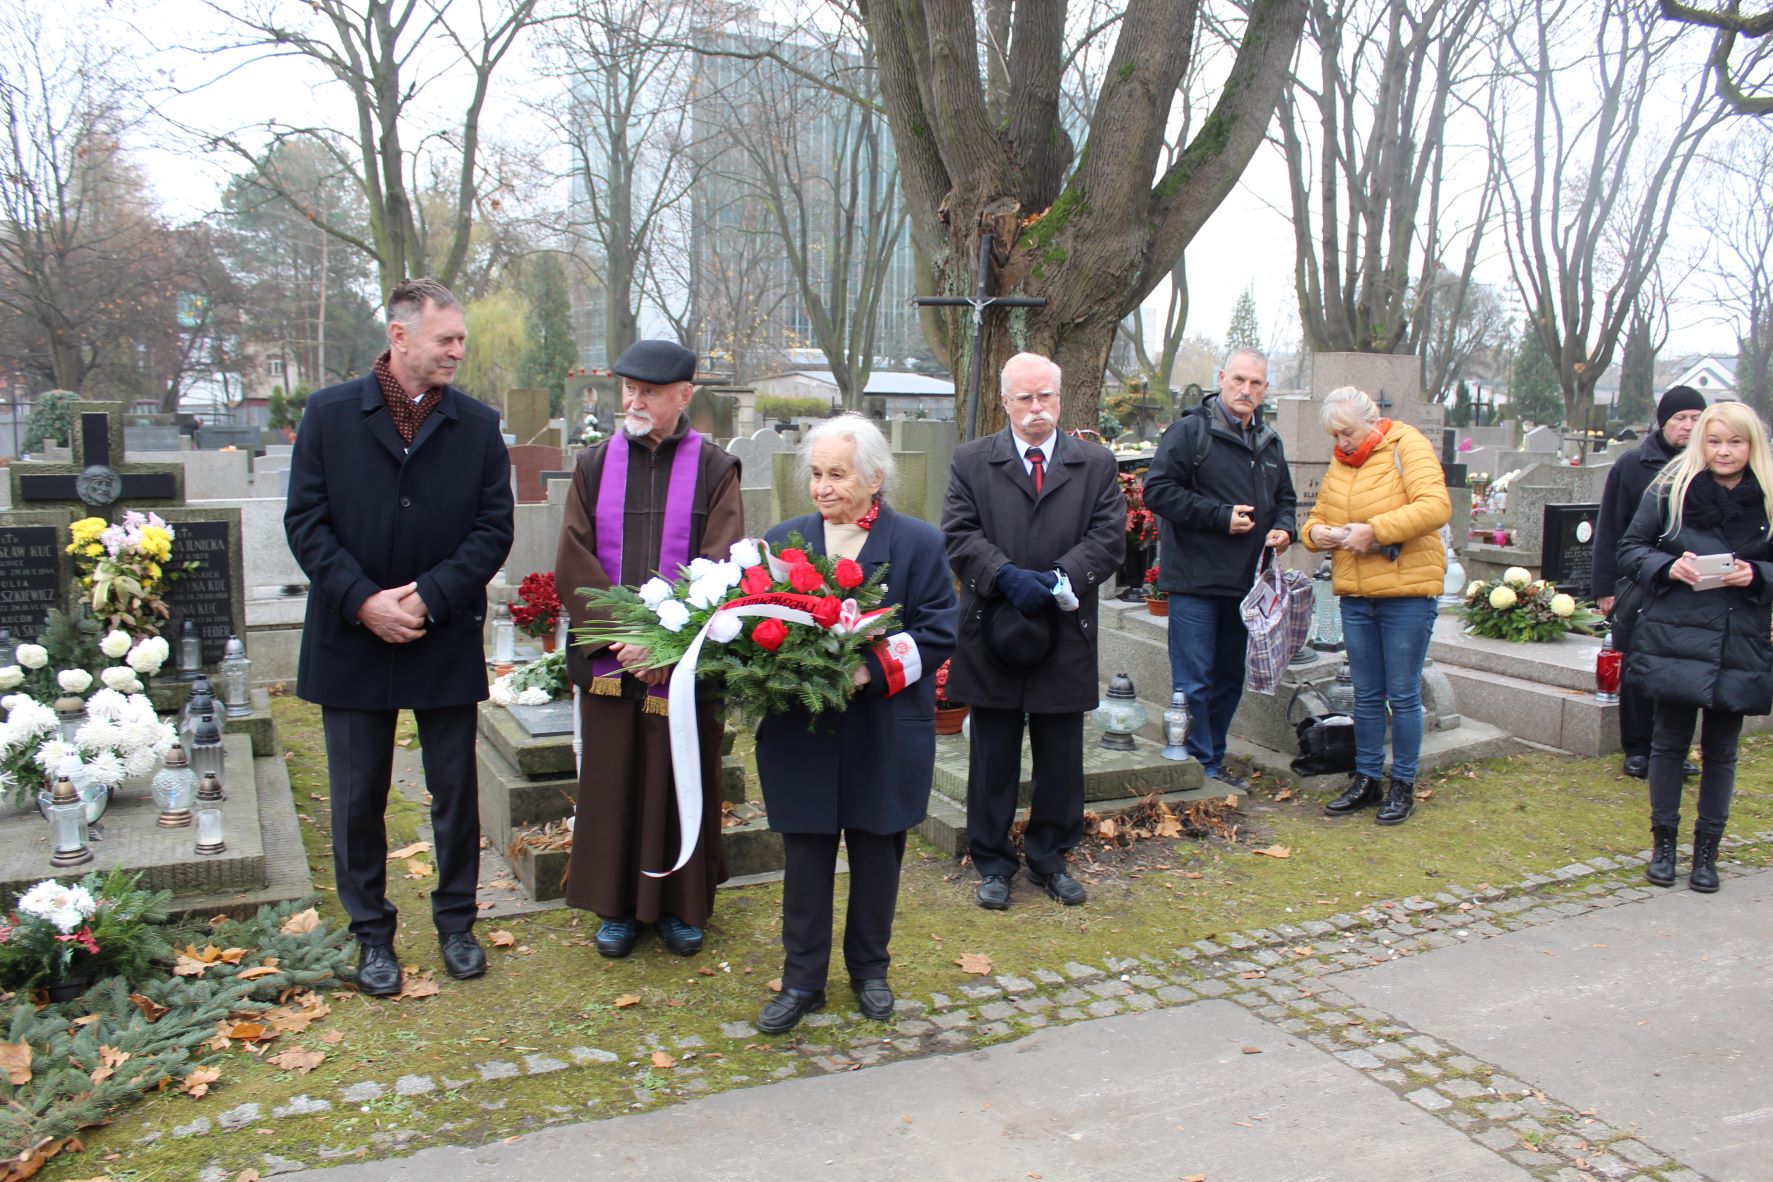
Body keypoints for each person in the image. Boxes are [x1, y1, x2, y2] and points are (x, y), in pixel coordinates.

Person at [284, 277, 515, 996]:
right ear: (399, 335)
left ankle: (456, 923)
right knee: (358, 796)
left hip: (441, 634)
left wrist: (431, 595)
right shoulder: (328, 415)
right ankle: (372, 936)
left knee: (454, 791)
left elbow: (493, 529)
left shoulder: (477, 425)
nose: (458, 351)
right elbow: (305, 522)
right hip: (351, 637)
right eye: (446, 339)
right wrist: (362, 601)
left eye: (461, 340)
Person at [751, 416, 957, 1033]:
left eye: (837, 474)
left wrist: (869, 669)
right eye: (816, 474)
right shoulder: (783, 541)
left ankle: (870, 970)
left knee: (876, 856)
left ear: (874, 478)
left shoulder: (918, 543)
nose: (823, 487)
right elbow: (752, 622)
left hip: (883, 729)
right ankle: (801, 980)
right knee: (806, 859)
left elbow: (939, 631)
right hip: (803, 731)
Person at [555, 339, 743, 957]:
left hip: (682, 663)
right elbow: (573, 558)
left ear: (684, 395)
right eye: (629, 389)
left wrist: (668, 646)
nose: (634, 401)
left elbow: (722, 564)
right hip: (611, 659)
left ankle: (681, 907)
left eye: (651, 392)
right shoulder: (593, 465)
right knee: (612, 780)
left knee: (680, 772)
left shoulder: (715, 469)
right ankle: (615, 908)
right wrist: (626, 639)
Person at [942, 353, 1125, 911]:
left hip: (1064, 627)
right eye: (1025, 398)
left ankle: (1051, 858)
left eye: (1045, 396)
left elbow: (1108, 537)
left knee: (1061, 755)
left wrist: (1059, 576)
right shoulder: (972, 461)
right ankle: (993, 862)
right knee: (992, 756)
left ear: (1059, 399)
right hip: (992, 627)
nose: (1036, 407)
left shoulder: (1095, 464)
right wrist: (1005, 575)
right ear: (1006, 402)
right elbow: (958, 533)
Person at [1616, 401, 1773, 893]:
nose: (1724, 452)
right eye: (1715, 441)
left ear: (1752, 445)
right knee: (1668, 742)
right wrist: (1668, 566)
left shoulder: (1768, 496)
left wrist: (1758, 574)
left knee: (1722, 750)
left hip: (1737, 637)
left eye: (1735, 442)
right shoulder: (1670, 489)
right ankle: (1663, 845)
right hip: (1676, 633)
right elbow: (1630, 548)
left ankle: (1707, 852)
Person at [1141, 347, 1296, 786]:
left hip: (1247, 586)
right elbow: (1157, 491)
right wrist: (1219, 516)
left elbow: (1285, 499)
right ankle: (1198, 767)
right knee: (1194, 683)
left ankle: (1213, 760)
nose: (1246, 390)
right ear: (1223, 378)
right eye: (1239, 380)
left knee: (1229, 679)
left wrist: (1285, 528)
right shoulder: (1191, 432)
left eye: (1256, 383)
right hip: (1195, 581)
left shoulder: (1269, 441)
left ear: (1265, 389)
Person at [1301, 387, 1452, 825]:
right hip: (1357, 594)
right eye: (1334, 436)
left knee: (1402, 694)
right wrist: (1316, 535)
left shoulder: (1407, 444)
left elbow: (1435, 506)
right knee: (1365, 695)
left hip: (1406, 594)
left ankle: (1402, 784)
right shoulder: (1341, 463)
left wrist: (1376, 531)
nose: (1342, 443)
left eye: (1347, 433)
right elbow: (1316, 519)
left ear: (1371, 422)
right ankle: (1367, 779)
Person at [1591, 385, 1706, 779]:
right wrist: (1605, 587)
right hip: (1640, 579)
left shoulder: (1709, 464)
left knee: (1683, 669)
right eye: (1680, 418)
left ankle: (1674, 749)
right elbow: (1611, 526)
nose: (1688, 426)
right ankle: (1638, 748)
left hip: (1691, 583)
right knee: (1639, 666)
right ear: (1663, 422)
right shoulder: (1633, 465)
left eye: (1696, 418)